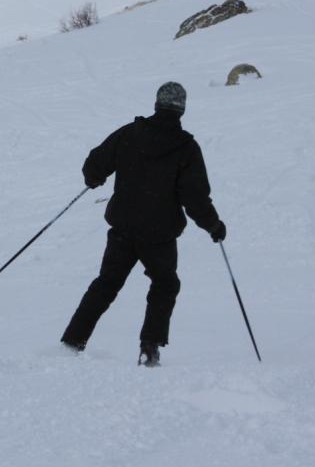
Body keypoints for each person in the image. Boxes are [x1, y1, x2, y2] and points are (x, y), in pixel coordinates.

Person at [60, 82, 226, 367]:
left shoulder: (130, 133)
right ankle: (149, 348)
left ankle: (72, 341)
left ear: (157, 104)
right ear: (181, 108)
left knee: (106, 284)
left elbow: (96, 162)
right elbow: (195, 197)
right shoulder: (185, 148)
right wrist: (213, 225)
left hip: (124, 228)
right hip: (159, 234)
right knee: (164, 285)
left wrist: (94, 177)